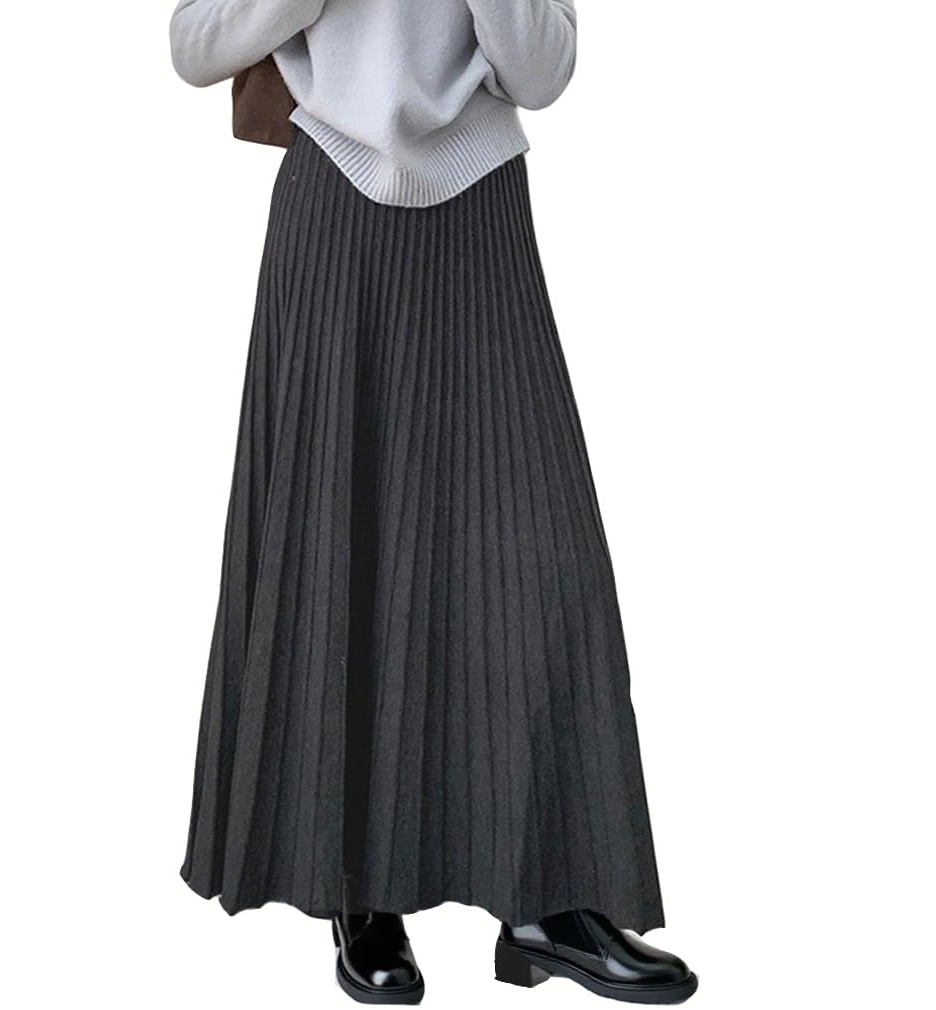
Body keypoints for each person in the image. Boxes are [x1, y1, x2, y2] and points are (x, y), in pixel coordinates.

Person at [168, 1, 698, 1004]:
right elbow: (193, 47)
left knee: (541, 556)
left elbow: (542, 73)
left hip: (480, 205)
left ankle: (551, 897)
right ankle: (356, 886)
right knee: (341, 545)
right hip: (332, 208)